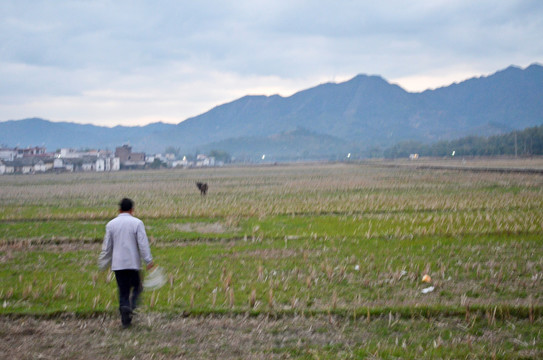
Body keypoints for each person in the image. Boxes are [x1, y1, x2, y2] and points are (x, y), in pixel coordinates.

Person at [98, 198, 155, 328]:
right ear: (132, 210)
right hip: (133, 264)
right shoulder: (137, 223)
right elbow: (143, 244)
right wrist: (148, 260)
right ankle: (131, 305)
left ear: (119, 210)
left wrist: (103, 263)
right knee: (137, 287)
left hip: (118, 265)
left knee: (123, 291)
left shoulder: (111, 224)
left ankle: (125, 320)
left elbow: (107, 248)